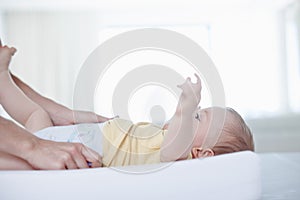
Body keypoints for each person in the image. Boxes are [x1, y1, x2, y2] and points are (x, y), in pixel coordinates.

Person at [1, 44, 254, 169]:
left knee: (33, 121)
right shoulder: (163, 139)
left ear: (202, 153)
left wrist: (186, 109)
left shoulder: (177, 158)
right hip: (70, 140)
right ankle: (3, 77)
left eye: (199, 118)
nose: (190, 118)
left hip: (72, 152)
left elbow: (176, 142)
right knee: (36, 114)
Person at [0, 43, 112, 170]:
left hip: (46, 145)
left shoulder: (41, 134)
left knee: (36, 114)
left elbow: (30, 113)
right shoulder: (28, 158)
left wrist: (3, 73)